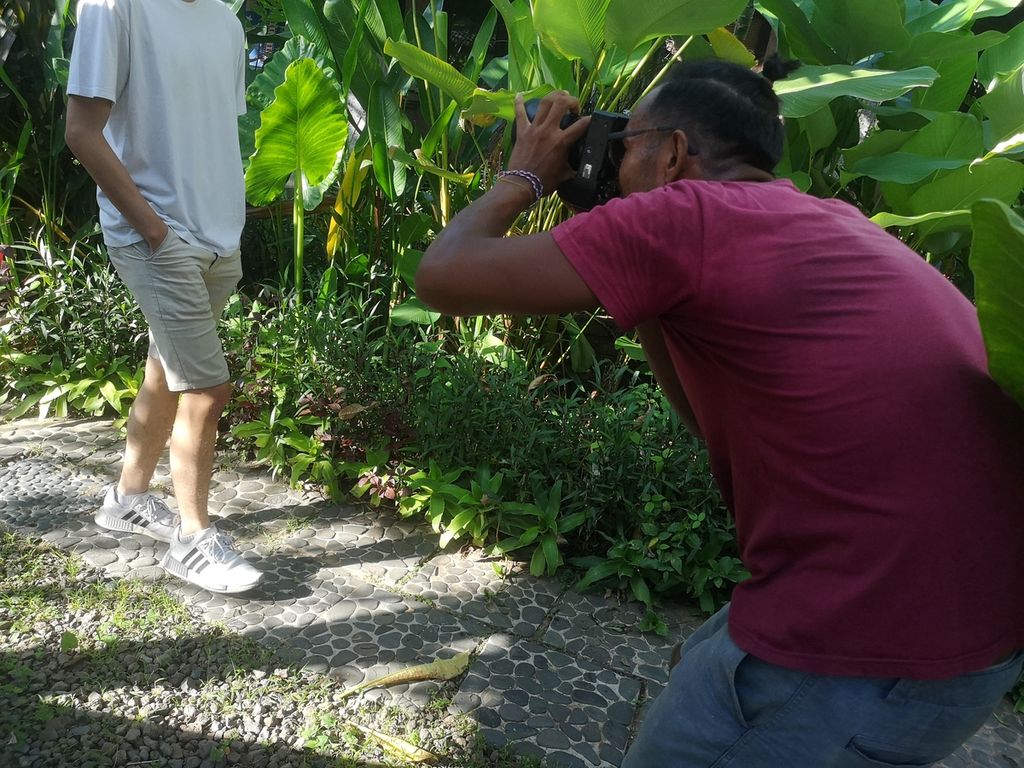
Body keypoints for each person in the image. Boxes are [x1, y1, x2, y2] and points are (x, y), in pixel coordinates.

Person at [415, 59, 1024, 766]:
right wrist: (620, 239)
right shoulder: (824, 218)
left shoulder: (684, 218)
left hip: (869, 636)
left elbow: (442, 277)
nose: (610, 161)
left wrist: (523, 175)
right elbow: (707, 422)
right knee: (705, 656)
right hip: (968, 637)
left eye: (623, 145)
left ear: (671, 152)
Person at [65, 0, 261, 594]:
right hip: (158, 238)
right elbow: (81, 131)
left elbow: (210, 130)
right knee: (206, 388)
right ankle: (192, 540)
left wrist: (229, 216)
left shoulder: (226, 22)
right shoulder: (115, 6)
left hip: (218, 237)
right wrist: (152, 228)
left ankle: (125, 499)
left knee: (165, 373)